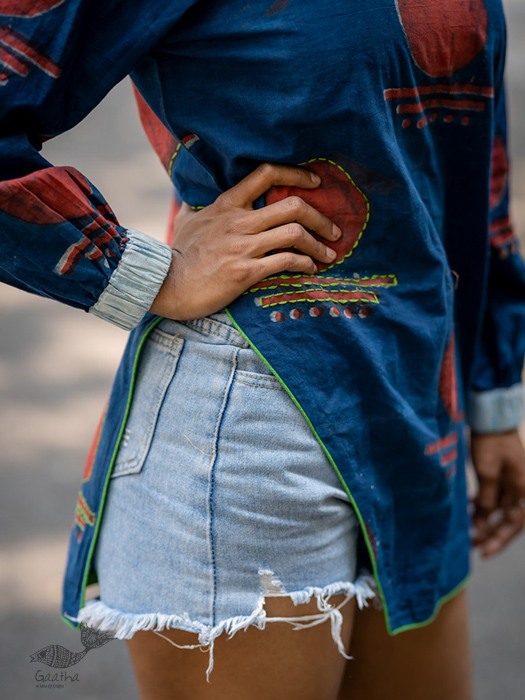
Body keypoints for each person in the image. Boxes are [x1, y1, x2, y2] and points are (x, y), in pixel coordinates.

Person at [1, 1, 525, 698]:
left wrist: (492, 398)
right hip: (249, 426)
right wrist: (138, 271)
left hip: (420, 407)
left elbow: (469, 163)